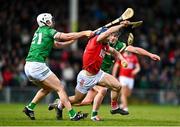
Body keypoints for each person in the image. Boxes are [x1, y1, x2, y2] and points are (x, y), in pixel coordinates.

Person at [49, 27, 161, 121]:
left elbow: (128, 50)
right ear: (105, 35)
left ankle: (113, 108)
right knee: (83, 98)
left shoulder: (109, 45)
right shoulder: (96, 41)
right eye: (111, 36)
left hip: (100, 73)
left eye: (115, 36)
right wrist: (120, 24)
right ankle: (62, 103)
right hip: (87, 75)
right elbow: (107, 33)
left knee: (117, 86)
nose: (113, 38)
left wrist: (148, 55)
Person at [23, 13, 93, 121]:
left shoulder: (39, 31)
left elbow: (57, 45)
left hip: (28, 66)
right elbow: (65, 36)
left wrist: (71, 41)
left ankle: (29, 108)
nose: (52, 21)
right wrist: (83, 33)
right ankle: (73, 115)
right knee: (60, 88)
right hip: (37, 65)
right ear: (45, 22)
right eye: (50, 20)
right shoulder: (48, 31)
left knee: (47, 88)